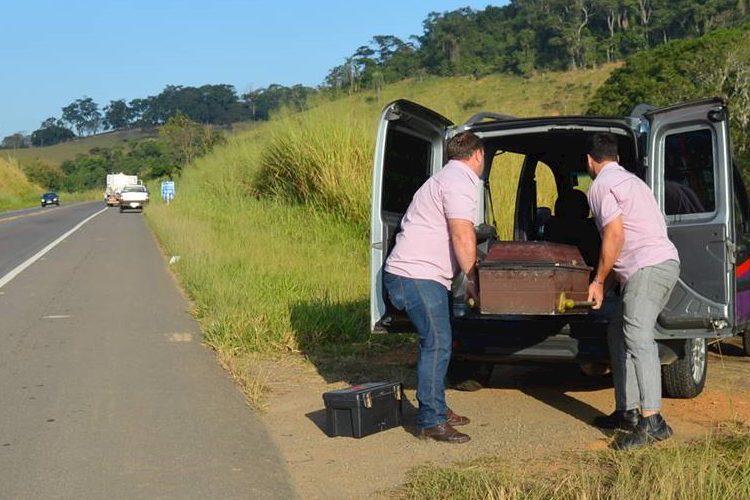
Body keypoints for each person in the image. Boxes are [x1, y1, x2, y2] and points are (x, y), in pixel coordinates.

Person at [382, 131, 483, 444]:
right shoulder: (459, 182)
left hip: (420, 274)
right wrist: (473, 279)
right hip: (416, 275)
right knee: (437, 342)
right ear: (478, 155)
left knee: (438, 340)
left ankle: (436, 406)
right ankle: (430, 421)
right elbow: (462, 234)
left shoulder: (444, 177)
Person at [585, 133, 681, 450]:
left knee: (638, 336)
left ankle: (652, 421)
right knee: (618, 331)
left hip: (647, 268)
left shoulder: (600, 186)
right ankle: (627, 412)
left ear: (590, 161)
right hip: (660, 264)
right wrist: (607, 283)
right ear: (618, 158)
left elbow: (614, 236)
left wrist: (598, 281)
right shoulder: (634, 183)